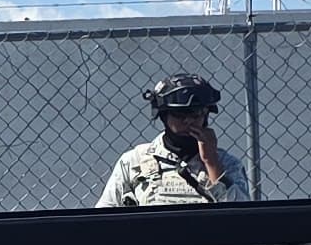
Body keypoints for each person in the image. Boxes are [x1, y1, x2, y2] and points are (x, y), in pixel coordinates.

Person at [97, 74, 245, 206]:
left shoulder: (226, 164)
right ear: (164, 116)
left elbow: (240, 218)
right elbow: (105, 218)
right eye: (179, 114)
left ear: (206, 114)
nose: (188, 121)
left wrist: (211, 162)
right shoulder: (134, 162)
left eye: (196, 114)